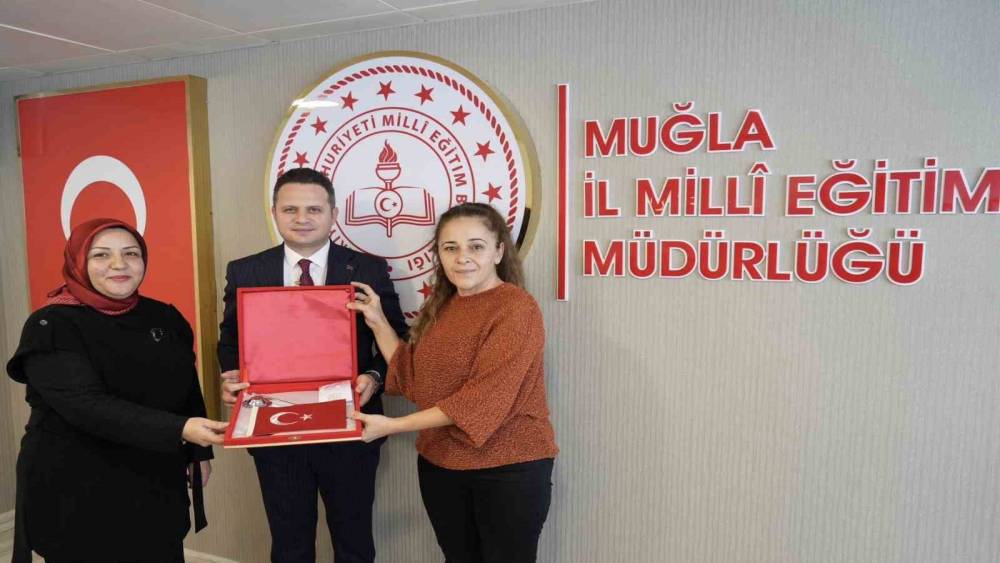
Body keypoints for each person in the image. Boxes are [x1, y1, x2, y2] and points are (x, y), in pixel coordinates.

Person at [5, 218, 227, 563]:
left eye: (130, 253)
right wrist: (181, 429)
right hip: (78, 483)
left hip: (155, 475)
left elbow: (186, 387)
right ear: (78, 262)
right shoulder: (51, 325)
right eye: (101, 255)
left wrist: (198, 453)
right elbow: (86, 405)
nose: (118, 264)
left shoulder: (164, 317)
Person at [347, 202, 559, 563]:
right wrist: (377, 319)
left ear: (498, 252)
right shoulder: (442, 306)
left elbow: (481, 400)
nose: (463, 258)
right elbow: (410, 375)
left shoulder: (517, 309)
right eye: (450, 247)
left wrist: (393, 425)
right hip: (441, 466)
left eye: (476, 246)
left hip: (507, 469)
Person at [218, 167, 407, 563]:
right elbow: (231, 339)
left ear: (332, 215)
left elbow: (396, 339)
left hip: (351, 427)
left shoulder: (368, 269)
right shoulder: (245, 270)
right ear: (274, 212)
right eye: (290, 209)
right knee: (290, 545)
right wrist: (230, 376)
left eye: (313, 209)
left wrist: (374, 377)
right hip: (274, 430)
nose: (301, 218)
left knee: (354, 542)